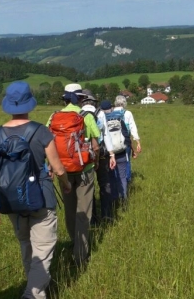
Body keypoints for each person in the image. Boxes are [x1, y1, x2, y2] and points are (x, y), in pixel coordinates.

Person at [0, 81, 71, 299]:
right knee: (43, 248)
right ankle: (32, 293)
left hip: (11, 199)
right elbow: (58, 168)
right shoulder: (40, 131)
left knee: (27, 246)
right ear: (29, 104)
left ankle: (36, 290)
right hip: (41, 197)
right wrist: (66, 185)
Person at [46, 83, 99, 267]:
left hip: (63, 171)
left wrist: (52, 167)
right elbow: (96, 145)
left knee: (70, 210)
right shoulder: (86, 116)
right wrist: (96, 161)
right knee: (84, 212)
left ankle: (73, 242)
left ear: (65, 98)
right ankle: (81, 255)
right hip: (84, 170)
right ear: (81, 98)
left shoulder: (54, 117)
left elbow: (48, 144)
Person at [80, 90, 116, 224]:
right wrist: (111, 154)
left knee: (89, 187)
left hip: (84, 156)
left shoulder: (78, 114)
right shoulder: (100, 113)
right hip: (101, 153)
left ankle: (92, 218)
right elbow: (106, 135)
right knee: (104, 183)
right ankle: (107, 215)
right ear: (94, 102)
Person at [100, 100, 130, 209]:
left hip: (109, 154)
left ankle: (114, 200)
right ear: (111, 108)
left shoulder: (102, 120)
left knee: (111, 177)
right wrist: (129, 147)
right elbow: (126, 134)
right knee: (122, 177)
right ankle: (124, 199)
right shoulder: (119, 117)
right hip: (121, 151)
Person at [113, 95, 142, 182]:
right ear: (124, 103)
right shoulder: (128, 113)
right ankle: (127, 181)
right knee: (126, 161)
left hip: (113, 143)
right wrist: (138, 142)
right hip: (126, 142)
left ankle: (116, 180)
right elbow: (133, 128)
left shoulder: (111, 112)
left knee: (114, 161)